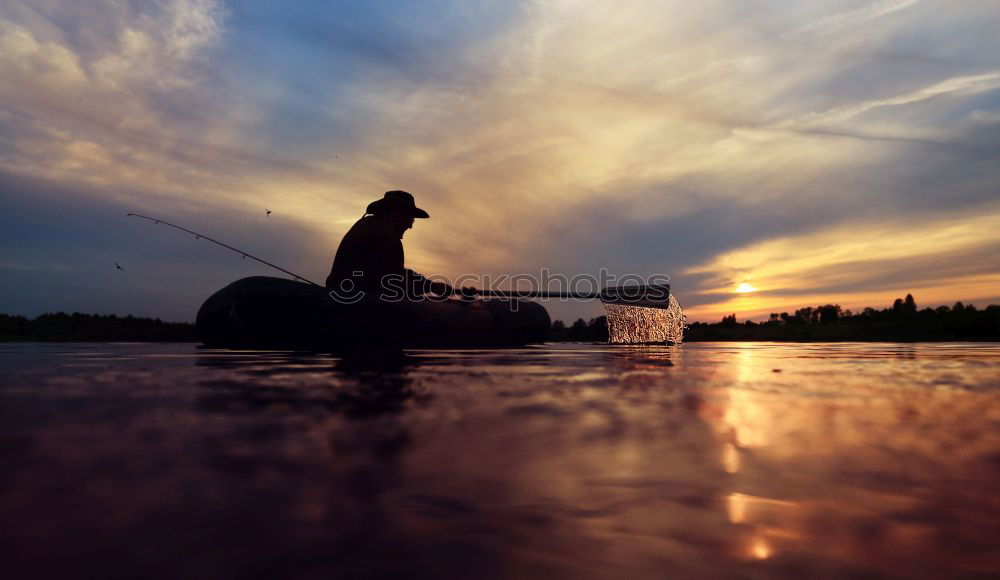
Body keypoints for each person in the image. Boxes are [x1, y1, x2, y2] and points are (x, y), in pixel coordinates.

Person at [326, 190, 452, 300]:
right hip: (357, 304)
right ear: (395, 214)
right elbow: (394, 279)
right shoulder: (385, 234)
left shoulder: (365, 225)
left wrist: (429, 286)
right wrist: (431, 286)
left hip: (344, 295)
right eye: (409, 218)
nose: (410, 225)